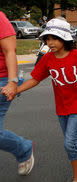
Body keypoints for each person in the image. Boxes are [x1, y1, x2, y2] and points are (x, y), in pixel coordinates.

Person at [15, 18, 77, 182]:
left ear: (64, 38)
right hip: (62, 106)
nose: (50, 42)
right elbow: (35, 79)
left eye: (54, 38)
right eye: (47, 38)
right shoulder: (48, 58)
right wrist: (17, 89)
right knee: (71, 143)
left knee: (70, 143)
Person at [0, 11, 34, 176]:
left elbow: (10, 52)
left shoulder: (0, 19)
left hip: (2, 81)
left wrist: (12, 82)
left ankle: (23, 148)